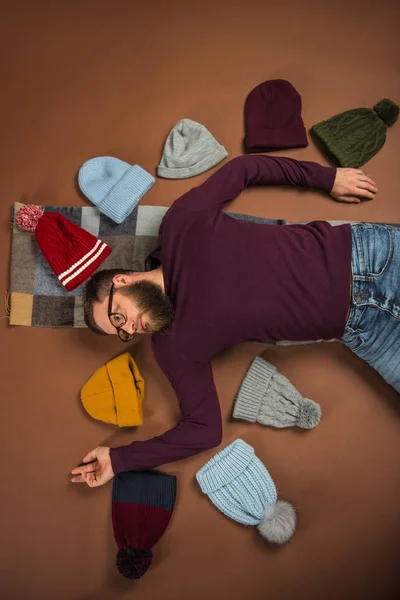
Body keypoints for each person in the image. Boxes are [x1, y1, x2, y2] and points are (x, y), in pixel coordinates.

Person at [71, 154, 398, 489]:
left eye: (117, 315)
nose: (128, 328)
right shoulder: (172, 346)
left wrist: (325, 178)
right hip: (367, 332)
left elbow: (244, 169)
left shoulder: (180, 225)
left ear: (122, 281)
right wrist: (120, 459)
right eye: (120, 332)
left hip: (368, 257)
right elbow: (205, 430)